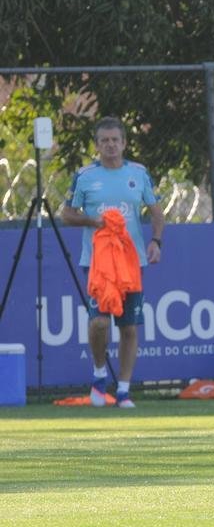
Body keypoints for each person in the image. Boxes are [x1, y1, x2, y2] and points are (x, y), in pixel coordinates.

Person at [61, 117, 164, 409]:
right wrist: (94, 220)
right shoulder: (84, 176)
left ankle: (123, 390)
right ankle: (98, 376)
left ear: (124, 143)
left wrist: (156, 241)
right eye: (104, 140)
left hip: (131, 263)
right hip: (97, 262)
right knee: (99, 323)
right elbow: (66, 214)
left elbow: (157, 212)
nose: (110, 145)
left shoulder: (138, 174)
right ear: (97, 145)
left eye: (114, 140)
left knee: (129, 327)